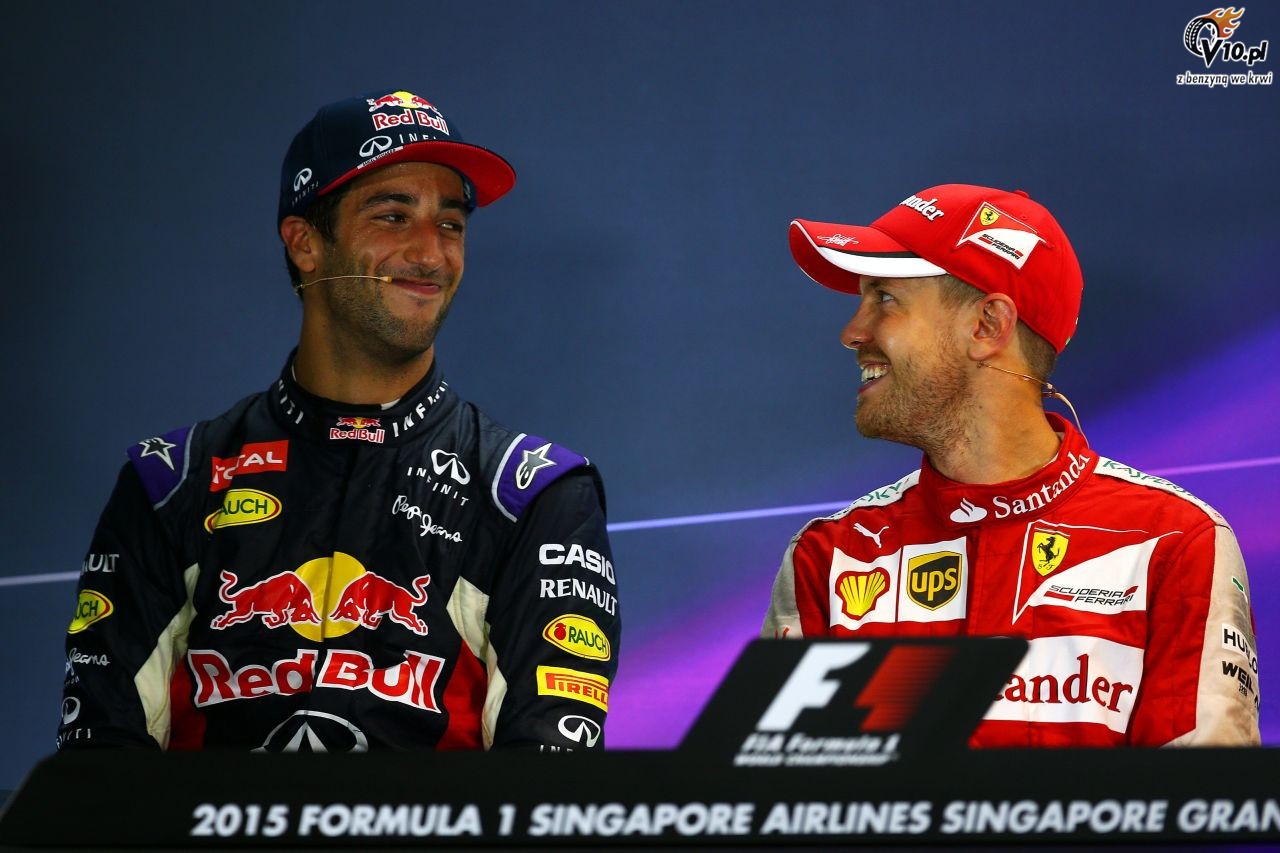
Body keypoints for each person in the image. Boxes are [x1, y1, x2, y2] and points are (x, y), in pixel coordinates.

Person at [58, 88, 620, 753]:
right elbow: (99, 770)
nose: (431, 254)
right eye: (393, 216)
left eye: (450, 224)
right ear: (305, 244)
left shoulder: (534, 494)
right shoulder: (169, 485)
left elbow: (547, 783)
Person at [762, 184, 1259, 747]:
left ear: (987, 325)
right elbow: (784, 796)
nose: (852, 332)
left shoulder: (1173, 542)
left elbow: (1202, 797)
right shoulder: (830, 556)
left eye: (885, 299)